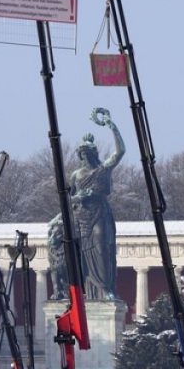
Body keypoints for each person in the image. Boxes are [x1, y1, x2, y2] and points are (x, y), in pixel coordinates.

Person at [69, 107, 125, 300]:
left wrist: (111, 125)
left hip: (99, 213)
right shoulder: (76, 175)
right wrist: (80, 197)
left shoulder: (103, 168)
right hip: (81, 216)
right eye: (81, 155)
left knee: (101, 247)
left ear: (93, 154)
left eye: (87, 154)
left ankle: (105, 288)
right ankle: (86, 289)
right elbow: (69, 198)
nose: (84, 158)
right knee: (81, 254)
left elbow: (120, 151)